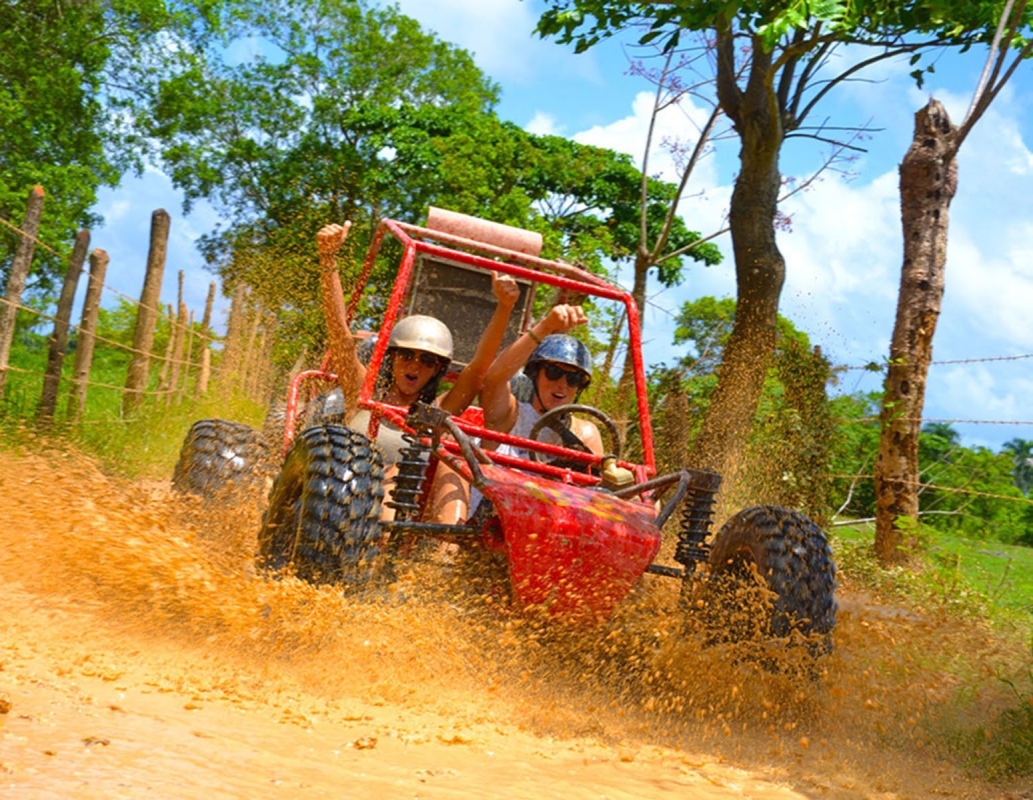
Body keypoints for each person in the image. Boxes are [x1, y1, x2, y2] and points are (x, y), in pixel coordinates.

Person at [316, 222, 519, 521]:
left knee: (449, 462)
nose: (415, 365)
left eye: (427, 360)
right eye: (407, 356)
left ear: (437, 370)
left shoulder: (434, 415)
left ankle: (443, 548)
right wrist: (328, 259)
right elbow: (340, 334)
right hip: (335, 503)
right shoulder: (363, 392)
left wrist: (505, 307)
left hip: (391, 518)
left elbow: (478, 369)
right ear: (392, 357)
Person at [479, 305, 603, 460]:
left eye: (574, 379)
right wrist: (546, 326)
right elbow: (494, 378)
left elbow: (598, 474)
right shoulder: (509, 414)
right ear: (536, 374)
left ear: (579, 388)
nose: (562, 384)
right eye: (554, 372)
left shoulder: (584, 433)